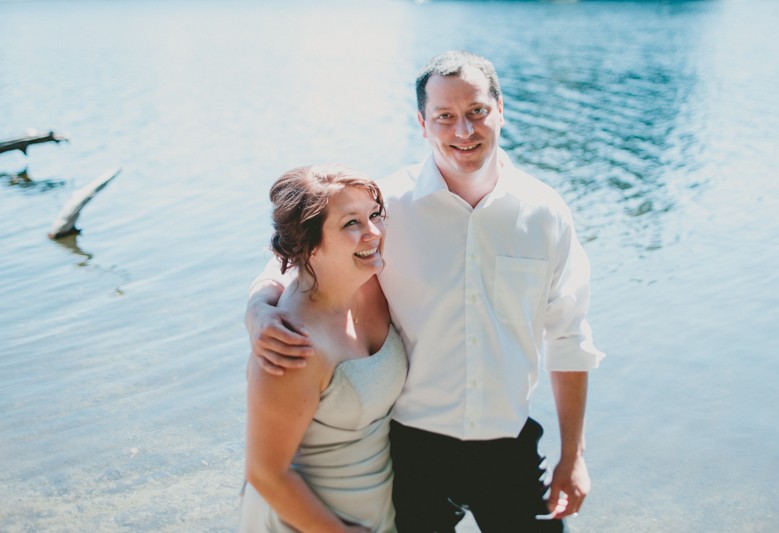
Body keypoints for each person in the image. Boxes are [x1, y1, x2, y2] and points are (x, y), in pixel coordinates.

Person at [245, 51, 605, 532]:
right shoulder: (387, 205)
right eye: (445, 117)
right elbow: (302, 251)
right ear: (422, 123)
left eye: (477, 111)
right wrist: (258, 306)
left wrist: (573, 455)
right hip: (411, 452)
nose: (464, 131)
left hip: (509, 442)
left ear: (501, 110)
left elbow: (569, 339)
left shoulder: (545, 213)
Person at [240, 164, 407, 532]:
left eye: (374, 215)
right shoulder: (290, 343)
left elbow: (279, 263)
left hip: (378, 506)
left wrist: (257, 300)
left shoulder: (369, 280)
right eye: (351, 224)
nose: (374, 232)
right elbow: (265, 473)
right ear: (309, 244)